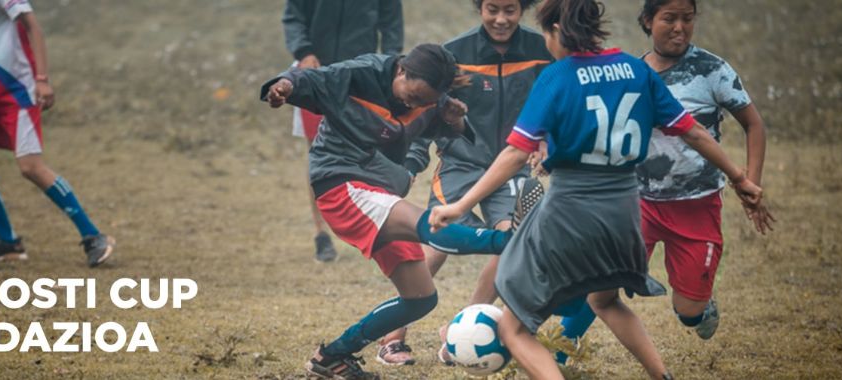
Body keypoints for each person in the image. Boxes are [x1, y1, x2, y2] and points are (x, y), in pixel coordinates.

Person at [428, 0, 770, 378]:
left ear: (556, 31)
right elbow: (693, 131)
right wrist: (740, 178)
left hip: (571, 209)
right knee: (604, 301)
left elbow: (514, 153)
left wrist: (462, 205)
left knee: (512, 327)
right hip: (625, 210)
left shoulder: (558, 77)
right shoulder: (637, 70)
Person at [262, 44, 519, 380]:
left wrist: (455, 121)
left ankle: (332, 358)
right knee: (429, 225)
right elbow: (309, 79)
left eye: (425, 101)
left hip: (380, 187)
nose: (415, 105)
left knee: (420, 298)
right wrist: (282, 87)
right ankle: (510, 241)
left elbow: (445, 128)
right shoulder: (362, 74)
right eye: (412, 96)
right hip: (341, 182)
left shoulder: (430, 98)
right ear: (400, 71)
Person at [551, 0, 775, 361]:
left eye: (687, 19)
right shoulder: (634, 74)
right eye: (669, 19)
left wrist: (750, 182)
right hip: (638, 202)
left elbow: (754, 124)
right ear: (647, 21)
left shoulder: (711, 70)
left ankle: (698, 308)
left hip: (697, 206)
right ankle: (556, 354)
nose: (679, 28)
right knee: (601, 286)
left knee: (689, 312)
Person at [381, 0, 553, 366]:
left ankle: (460, 333)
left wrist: (549, 142)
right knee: (439, 237)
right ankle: (392, 338)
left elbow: (555, 107)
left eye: (510, 10)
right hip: (460, 164)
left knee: (513, 240)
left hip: (512, 167)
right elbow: (424, 111)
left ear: (523, 8)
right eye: (492, 9)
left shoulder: (542, 52)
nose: (501, 19)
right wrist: (411, 165)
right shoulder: (455, 56)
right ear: (479, 7)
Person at [0, 0, 114, 267]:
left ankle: (94, 236)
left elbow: (33, 27)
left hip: (17, 91)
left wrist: (42, 80)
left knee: (31, 167)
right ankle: (8, 243)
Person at [282, 0, 404, 263]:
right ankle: (321, 235)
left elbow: (392, 23)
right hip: (316, 73)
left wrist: (391, 65)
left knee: (370, 149)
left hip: (361, 75)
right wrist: (303, 53)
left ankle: (373, 225)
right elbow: (293, 17)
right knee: (317, 151)